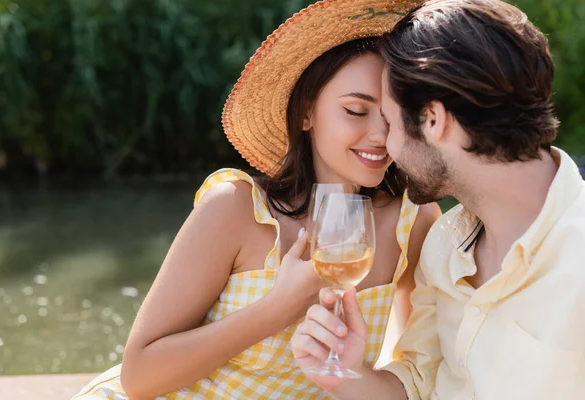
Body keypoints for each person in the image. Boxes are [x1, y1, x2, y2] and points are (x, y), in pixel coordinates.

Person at [72, 0, 439, 398]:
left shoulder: (411, 223)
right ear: (305, 113)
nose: (379, 135)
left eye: (391, 115)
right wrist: (280, 306)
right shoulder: (235, 208)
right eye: (355, 110)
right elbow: (139, 377)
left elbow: (410, 369)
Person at [292, 0, 585, 399]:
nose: (388, 147)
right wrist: (344, 373)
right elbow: (415, 386)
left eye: (391, 123)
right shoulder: (443, 245)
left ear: (433, 120)